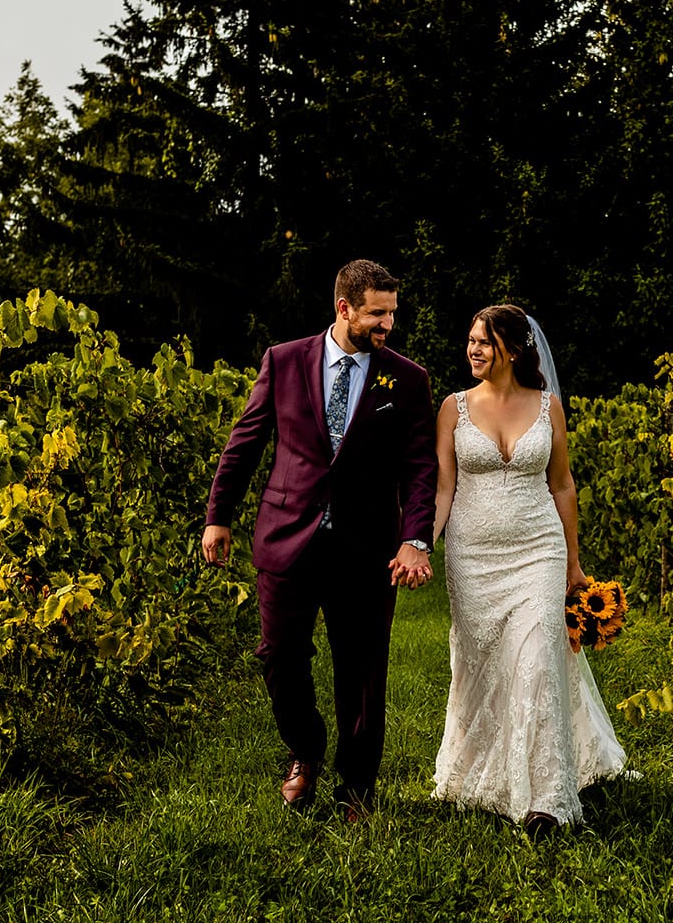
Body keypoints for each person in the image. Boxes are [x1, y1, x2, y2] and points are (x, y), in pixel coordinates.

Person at [201, 260, 438, 818]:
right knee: (280, 656)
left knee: (361, 669)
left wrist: (415, 539)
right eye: (378, 313)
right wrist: (219, 515)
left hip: (367, 546)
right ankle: (304, 751)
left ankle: (356, 787)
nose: (388, 325)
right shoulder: (282, 361)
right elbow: (247, 441)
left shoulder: (406, 379)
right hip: (287, 538)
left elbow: (419, 467)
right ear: (345, 308)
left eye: (392, 313)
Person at [431, 304, 628, 835]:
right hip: (473, 558)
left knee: (539, 659)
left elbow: (562, 485)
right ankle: (486, 770)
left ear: (514, 351)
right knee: (485, 665)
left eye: (485, 342)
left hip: (538, 549)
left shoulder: (548, 407)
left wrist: (573, 563)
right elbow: (444, 487)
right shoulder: (452, 408)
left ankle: (546, 798)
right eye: (471, 339)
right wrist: (419, 543)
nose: (473, 349)